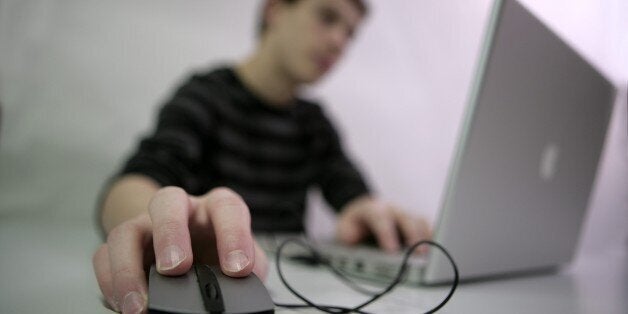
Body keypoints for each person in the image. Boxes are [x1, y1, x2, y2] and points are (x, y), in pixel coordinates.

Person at [92, 0, 431, 313]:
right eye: (328, 17)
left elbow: (351, 192)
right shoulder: (206, 96)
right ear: (275, 10)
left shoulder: (314, 123)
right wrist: (162, 228)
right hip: (218, 287)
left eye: (350, 33)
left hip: (282, 292)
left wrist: (369, 214)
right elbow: (136, 180)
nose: (339, 42)